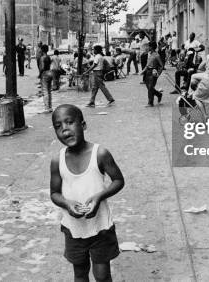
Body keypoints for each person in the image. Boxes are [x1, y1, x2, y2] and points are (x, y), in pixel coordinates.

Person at [50, 104, 124, 282]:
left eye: (70, 122)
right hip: (74, 229)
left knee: (102, 275)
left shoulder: (100, 154)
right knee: (80, 273)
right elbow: (54, 194)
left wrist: (99, 197)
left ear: (83, 125)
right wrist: (67, 203)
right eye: (58, 126)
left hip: (100, 228)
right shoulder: (57, 160)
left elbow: (119, 180)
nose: (65, 130)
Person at [141, 41, 164, 107]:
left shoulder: (157, 55)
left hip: (153, 72)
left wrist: (158, 74)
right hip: (147, 72)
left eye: (149, 46)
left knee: (150, 88)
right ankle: (159, 94)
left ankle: (150, 103)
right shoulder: (149, 54)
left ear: (151, 47)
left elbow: (161, 66)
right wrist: (143, 71)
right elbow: (147, 64)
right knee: (149, 88)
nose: (148, 47)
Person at [38, 44, 53, 114]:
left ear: (42, 50)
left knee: (45, 91)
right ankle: (50, 107)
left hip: (44, 74)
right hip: (50, 73)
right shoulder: (48, 57)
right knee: (49, 91)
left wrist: (39, 74)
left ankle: (47, 108)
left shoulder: (42, 58)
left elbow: (42, 68)